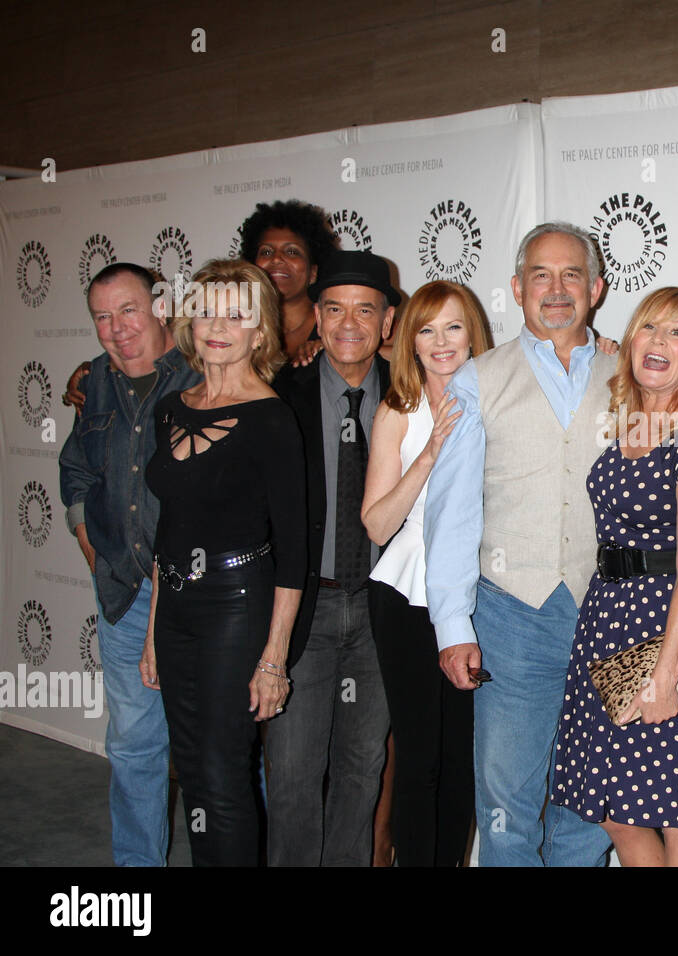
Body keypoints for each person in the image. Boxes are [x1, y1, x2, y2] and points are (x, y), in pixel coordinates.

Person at [425, 222, 617, 867]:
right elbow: (451, 511)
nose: (556, 290)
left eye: (571, 276)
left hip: (613, 613)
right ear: (516, 288)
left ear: (595, 287)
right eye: (541, 275)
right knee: (506, 798)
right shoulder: (477, 379)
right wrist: (452, 624)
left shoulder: (635, 372)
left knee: (590, 799)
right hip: (512, 613)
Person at [140, 259, 307, 866]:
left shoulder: (271, 419)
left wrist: (273, 657)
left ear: (260, 331)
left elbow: (294, 552)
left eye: (237, 314)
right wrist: (156, 633)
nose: (219, 325)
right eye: (209, 309)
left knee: (224, 775)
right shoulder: (172, 407)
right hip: (177, 606)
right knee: (195, 774)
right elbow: (168, 530)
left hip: (237, 605)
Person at [550, 287, 678, 867]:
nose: (659, 342)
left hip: (668, 624)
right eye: (650, 328)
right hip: (607, 620)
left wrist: (667, 672)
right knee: (616, 807)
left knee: (674, 808)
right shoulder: (624, 425)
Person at [58, 263, 203, 866]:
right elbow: (77, 472)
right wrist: (93, 549)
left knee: (214, 748)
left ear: (161, 307)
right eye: (102, 317)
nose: (116, 329)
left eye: (128, 311)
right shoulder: (93, 384)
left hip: (199, 597)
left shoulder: (205, 375)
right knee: (135, 747)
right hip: (121, 594)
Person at [265, 249, 397, 866]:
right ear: (316, 318)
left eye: (365, 310)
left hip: (381, 611)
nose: (350, 323)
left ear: (388, 322)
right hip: (302, 608)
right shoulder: (276, 397)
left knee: (360, 772)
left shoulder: (412, 397)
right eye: (336, 309)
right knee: (291, 777)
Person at [361, 280, 491, 865]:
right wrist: (433, 452)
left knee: (466, 756)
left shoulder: (496, 398)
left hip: (481, 596)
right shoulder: (397, 411)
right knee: (420, 757)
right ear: (408, 340)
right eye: (427, 329)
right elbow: (376, 524)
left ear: (474, 335)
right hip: (405, 597)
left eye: (454, 328)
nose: (441, 343)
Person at [239, 199, 338, 361]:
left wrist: (338, 349)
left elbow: (393, 354)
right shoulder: (239, 326)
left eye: (292, 252)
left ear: (313, 271)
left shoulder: (337, 323)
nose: (277, 259)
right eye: (266, 252)